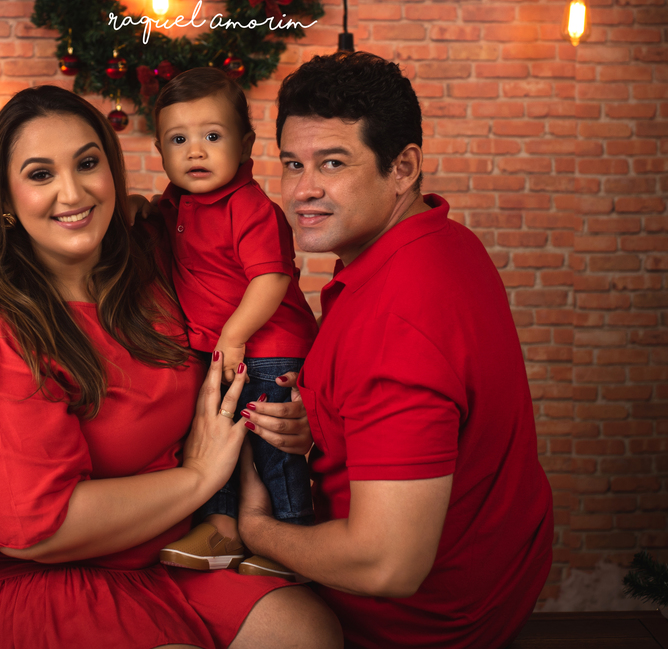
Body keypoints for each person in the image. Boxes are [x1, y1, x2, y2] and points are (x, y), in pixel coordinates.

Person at [0, 85, 341, 649]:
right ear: (4, 199)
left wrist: (287, 414)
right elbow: (37, 530)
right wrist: (199, 478)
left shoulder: (153, 263)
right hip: (13, 573)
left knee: (308, 630)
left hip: (155, 552)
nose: (73, 192)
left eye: (87, 164)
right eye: (40, 174)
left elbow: (263, 319)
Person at [236, 52, 554, 648]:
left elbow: (387, 565)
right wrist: (325, 422)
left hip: (414, 626)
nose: (303, 190)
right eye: (293, 164)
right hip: (498, 585)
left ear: (403, 167)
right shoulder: (442, 240)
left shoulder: (396, 320)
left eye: (333, 163)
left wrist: (255, 529)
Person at [148, 69, 318, 579]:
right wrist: (137, 207)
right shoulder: (176, 203)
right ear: (159, 150)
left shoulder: (248, 206)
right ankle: (220, 527)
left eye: (212, 136)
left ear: (244, 145)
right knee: (213, 434)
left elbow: (271, 278)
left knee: (269, 442)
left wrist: (234, 335)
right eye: (178, 140)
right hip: (221, 350)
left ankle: (292, 531)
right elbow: (156, 229)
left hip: (268, 348)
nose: (195, 151)